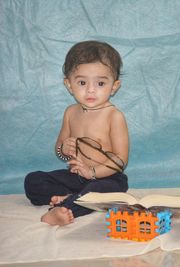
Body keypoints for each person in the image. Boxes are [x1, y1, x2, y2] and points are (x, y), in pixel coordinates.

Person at [24, 40, 129, 226]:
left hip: (107, 178)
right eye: (82, 82)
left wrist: (92, 173)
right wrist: (64, 148)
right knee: (33, 180)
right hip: (75, 177)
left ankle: (66, 208)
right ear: (69, 84)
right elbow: (59, 150)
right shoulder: (71, 113)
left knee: (100, 191)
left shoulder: (114, 116)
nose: (90, 89)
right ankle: (71, 197)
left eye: (100, 83)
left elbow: (120, 160)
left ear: (114, 86)